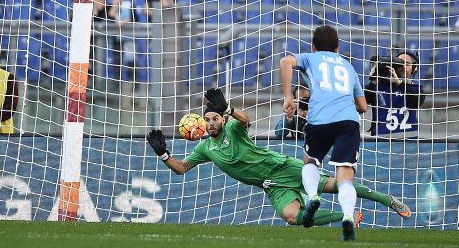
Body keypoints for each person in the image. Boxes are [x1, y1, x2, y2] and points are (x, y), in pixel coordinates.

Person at [147, 88, 410, 229]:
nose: (210, 122)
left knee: (338, 185)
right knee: (293, 217)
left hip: (282, 168)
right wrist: (164, 154)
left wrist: (228, 109)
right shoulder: (205, 149)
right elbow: (181, 168)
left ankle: (388, 200)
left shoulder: (232, 127)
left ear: (222, 119)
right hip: (271, 185)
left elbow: (246, 119)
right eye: (207, 119)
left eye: (214, 117)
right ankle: (346, 217)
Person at [280, 25, 368, 241]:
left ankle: (312, 197)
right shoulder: (348, 66)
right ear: (338, 47)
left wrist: (288, 98)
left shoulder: (310, 58)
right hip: (348, 121)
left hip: (319, 119)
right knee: (345, 175)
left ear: (313, 45)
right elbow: (363, 106)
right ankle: (347, 216)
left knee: (310, 161)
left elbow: (285, 62)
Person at [365, 51, 426, 138]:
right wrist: (372, 82)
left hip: (408, 143)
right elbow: (362, 105)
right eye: (400, 63)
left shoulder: (415, 88)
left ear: (414, 68)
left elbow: (418, 100)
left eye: (407, 64)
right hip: (381, 143)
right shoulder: (378, 86)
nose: (403, 67)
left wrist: (399, 83)